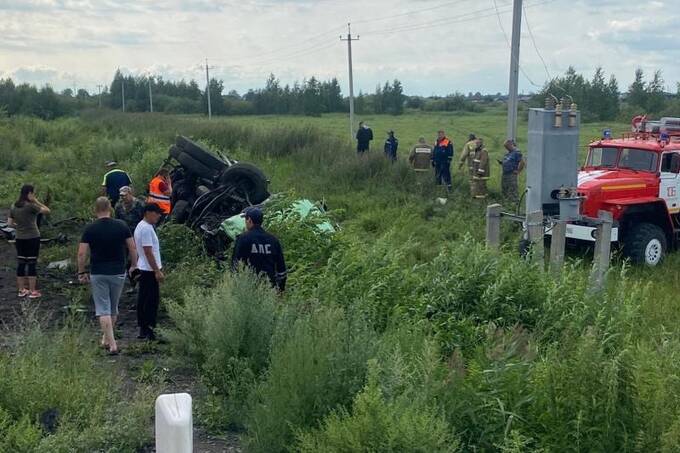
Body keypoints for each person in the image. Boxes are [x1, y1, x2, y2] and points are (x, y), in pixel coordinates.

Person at [78, 197, 138, 355]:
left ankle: (112, 344)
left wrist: (81, 271)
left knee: (102, 308)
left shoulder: (90, 229)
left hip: (98, 271)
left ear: (95, 209)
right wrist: (134, 264)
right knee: (113, 307)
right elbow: (132, 247)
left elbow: (82, 253)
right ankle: (106, 339)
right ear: (110, 208)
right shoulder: (121, 225)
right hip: (118, 271)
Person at [7, 184, 50, 299]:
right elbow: (47, 210)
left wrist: (19, 226)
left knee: (21, 263)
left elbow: (10, 224)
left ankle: (21, 290)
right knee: (31, 263)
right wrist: (36, 201)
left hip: (19, 238)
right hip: (32, 237)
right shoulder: (31, 206)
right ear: (29, 194)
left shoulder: (13, 206)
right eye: (33, 193)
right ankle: (32, 291)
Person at [231, 207, 287, 292]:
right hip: (269, 288)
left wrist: (235, 286)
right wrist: (281, 289)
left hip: (248, 288)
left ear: (249, 220)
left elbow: (236, 264)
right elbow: (281, 269)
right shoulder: (273, 240)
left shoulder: (243, 239)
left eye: (245, 220)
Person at [134, 203, 165, 340]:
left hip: (144, 267)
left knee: (143, 298)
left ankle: (143, 329)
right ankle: (150, 331)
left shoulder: (141, 226)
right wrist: (157, 270)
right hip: (149, 269)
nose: (158, 216)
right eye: (156, 213)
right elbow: (148, 252)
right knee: (151, 301)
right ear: (148, 212)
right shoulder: (146, 228)